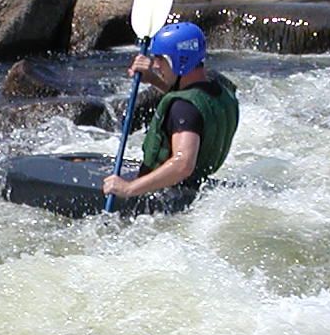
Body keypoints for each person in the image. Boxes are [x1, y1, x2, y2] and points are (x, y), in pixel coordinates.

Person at [101, 21, 239, 201]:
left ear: (179, 60)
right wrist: (152, 79)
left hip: (165, 194)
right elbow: (194, 102)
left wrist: (129, 188)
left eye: (160, 58)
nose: (156, 65)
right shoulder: (218, 89)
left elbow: (183, 164)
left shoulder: (183, 109)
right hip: (195, 187)